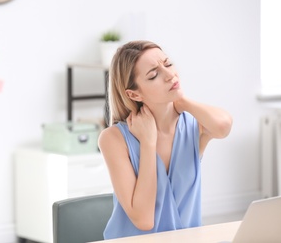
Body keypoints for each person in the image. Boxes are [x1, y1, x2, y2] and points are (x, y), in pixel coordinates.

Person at [98, 40, 233, 239]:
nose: (170, 75)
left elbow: (223, 127)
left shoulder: (194, 125)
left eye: (168, 64)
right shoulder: (113, 139)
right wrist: (148, 142)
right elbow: (144, 220)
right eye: (154, 75)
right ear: (134, 94)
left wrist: (182, 101)